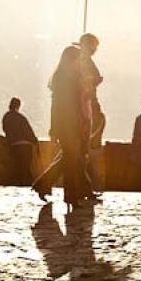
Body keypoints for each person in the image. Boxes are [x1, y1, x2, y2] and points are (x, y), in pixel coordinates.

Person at [48, 45, 92, 210]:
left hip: (76, 125)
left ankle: (67, 193)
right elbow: (56, 105)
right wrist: (54, 129)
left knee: (71, 161)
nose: (80, 62)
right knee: (72, 162)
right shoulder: (62, 78)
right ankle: (71, 196)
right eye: (78, 59)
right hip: (67, 125)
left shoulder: (75, 77)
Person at [2, 97, 40, 186]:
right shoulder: (21, 117)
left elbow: (5, 129)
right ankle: (28, 185)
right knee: (26, 167)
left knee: (18, 165)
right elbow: (29, 131)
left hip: (14, 144)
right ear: (18, 106)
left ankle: (19, 183)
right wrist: (35, 142)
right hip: (26, 146)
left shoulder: (6, 116)